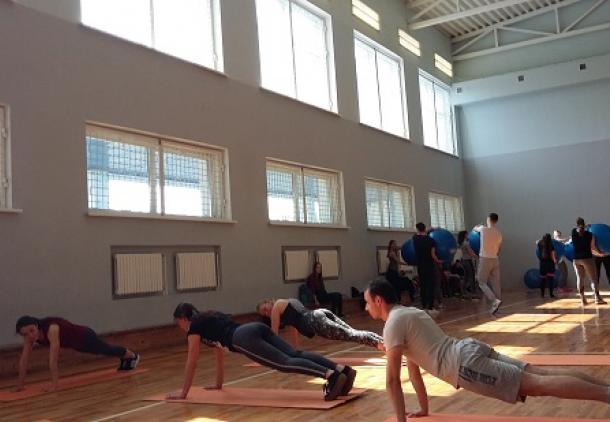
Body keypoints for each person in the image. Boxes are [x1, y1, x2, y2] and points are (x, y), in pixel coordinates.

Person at [363, 279, 610, 422]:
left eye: (366, 302)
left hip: (464, 365)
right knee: (541, 374)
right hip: (468, 348)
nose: (365, 308)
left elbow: (392, 381)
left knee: (537, 385)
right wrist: (424, 410)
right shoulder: (410, 312)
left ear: (378, 300)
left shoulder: (393, 324)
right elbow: (414, 369)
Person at [168, 303, 355, 401]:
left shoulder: (194, 328)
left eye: (178, 323)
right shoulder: (209, 317)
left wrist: (183, 393)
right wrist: (218, 385)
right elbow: (219, 355)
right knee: (294, 354)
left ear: (183, 318)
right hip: (254, 327)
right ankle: (342, 370)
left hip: (242, 338)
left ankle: (330, 375)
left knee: (284, 363)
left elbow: (192, 361)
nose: (180, 327)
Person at [14, 316, 140, 392]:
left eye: (32, 331)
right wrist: (20, 385)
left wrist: (54, 385)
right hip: (76, 344)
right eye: (25, 334)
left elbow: (53, 359)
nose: (30, 336)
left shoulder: (52, 329)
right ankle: (126, 357)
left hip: (85, 336)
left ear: (37, 325)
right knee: (102, 351)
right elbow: (24, 360)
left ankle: (132, 356)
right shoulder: (29, 338)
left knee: (105, 349)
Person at [256, 298, 383, 349]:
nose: (267, 312)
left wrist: (269, 352)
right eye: (264, 314)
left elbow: (273, 334)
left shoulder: (276, 307)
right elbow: (294, 328)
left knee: (351, 335)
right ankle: (382, 341)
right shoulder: (285, 304)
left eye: (265, 308)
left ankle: (380, 344)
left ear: (268, 302)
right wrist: (295, 350)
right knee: (352, 333)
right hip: (320, 313)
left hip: (315, 322)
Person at [572, 217, 606, 305]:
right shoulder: (590, 234)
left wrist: (585, 226)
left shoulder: (573, 232)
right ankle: (597, 298)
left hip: (576, 259)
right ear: (584, 224)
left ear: (576, 224)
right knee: (593, 279)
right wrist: (600, 254)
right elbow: (593, 248)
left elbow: (578, 229)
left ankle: (583, 299)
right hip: (587, 258)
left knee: (580, 278)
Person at [474, 212, 503, 315]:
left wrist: (479, 225)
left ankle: (494, 300)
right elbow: (499, 249)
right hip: (495, 259)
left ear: (488, 219)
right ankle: (497, 305)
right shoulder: (499, 234)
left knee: (481, 281)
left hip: (485, 258)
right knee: (496, 284)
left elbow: (475, 228)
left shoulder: (483, 229)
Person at [412, 223, 443, 316]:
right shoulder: (431, 240)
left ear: (417, 229)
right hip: (430, 265)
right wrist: (439, 261)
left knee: (423, 286)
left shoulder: (415, 238)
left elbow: (420, 233)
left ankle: (424, 306)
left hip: (420, 266)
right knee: (430, 286)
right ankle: (430, 307)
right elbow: (433, 255)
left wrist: (430, 229)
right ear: (424, 228)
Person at [386, 240, 415, 305]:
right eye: (393, 244)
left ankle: (407, 298)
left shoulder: (395, 252)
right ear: (390, 245)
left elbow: (397, 264)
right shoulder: (391, 253)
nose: (395, 245)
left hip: (394, 272)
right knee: (397, 286)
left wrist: (399, 271)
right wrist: (407, 264)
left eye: (395, 244)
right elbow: (398, 261)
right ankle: (398, 301)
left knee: (405, 282)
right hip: (391, 273)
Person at [457, 230, 478, 297]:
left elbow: (470, 251)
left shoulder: (462, 243)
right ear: (465, 235)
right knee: (471, 276)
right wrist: (477, 256)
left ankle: (463, 292)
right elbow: (470, 252)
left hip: (464, 260)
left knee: (466, 276)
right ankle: (473, 292)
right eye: (467, 234)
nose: (468, 235)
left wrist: (474, 255)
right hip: (467, 261)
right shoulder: (466, 243)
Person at [537, 233, 557, 298]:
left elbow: (537, 243)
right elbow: (553, 255)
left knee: (542, 280)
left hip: (542, 264)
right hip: (550, 264)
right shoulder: (551, 245)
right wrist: (555, 261)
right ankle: (551, 294)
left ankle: (542, 294)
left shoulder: (539, 244)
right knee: (550, 280)